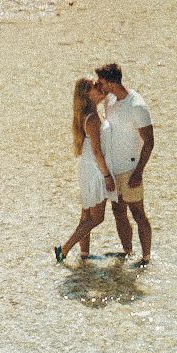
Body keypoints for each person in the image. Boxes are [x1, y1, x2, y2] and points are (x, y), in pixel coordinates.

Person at [93, 63, 154, 265]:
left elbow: (149, 142)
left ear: (111, 83)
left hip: (130, 169)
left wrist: (139, 172)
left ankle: (146, 257)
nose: (99, 85)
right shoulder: (109, 100)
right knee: (118, 213)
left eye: (102, 82)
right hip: (113, 168)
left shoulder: (136, 106)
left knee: (138, 214)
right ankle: (127, 252)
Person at [55, 76, 114, 264]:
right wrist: (107, 176)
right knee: (97, 218)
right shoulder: (93, 119)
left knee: (86, 216)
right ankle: (64, 249)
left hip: (87, 167)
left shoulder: (88, 115)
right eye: (95, 87)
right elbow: (97, 151)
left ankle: (84, 255)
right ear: (87, 95)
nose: (99, 88)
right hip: (95, 169)